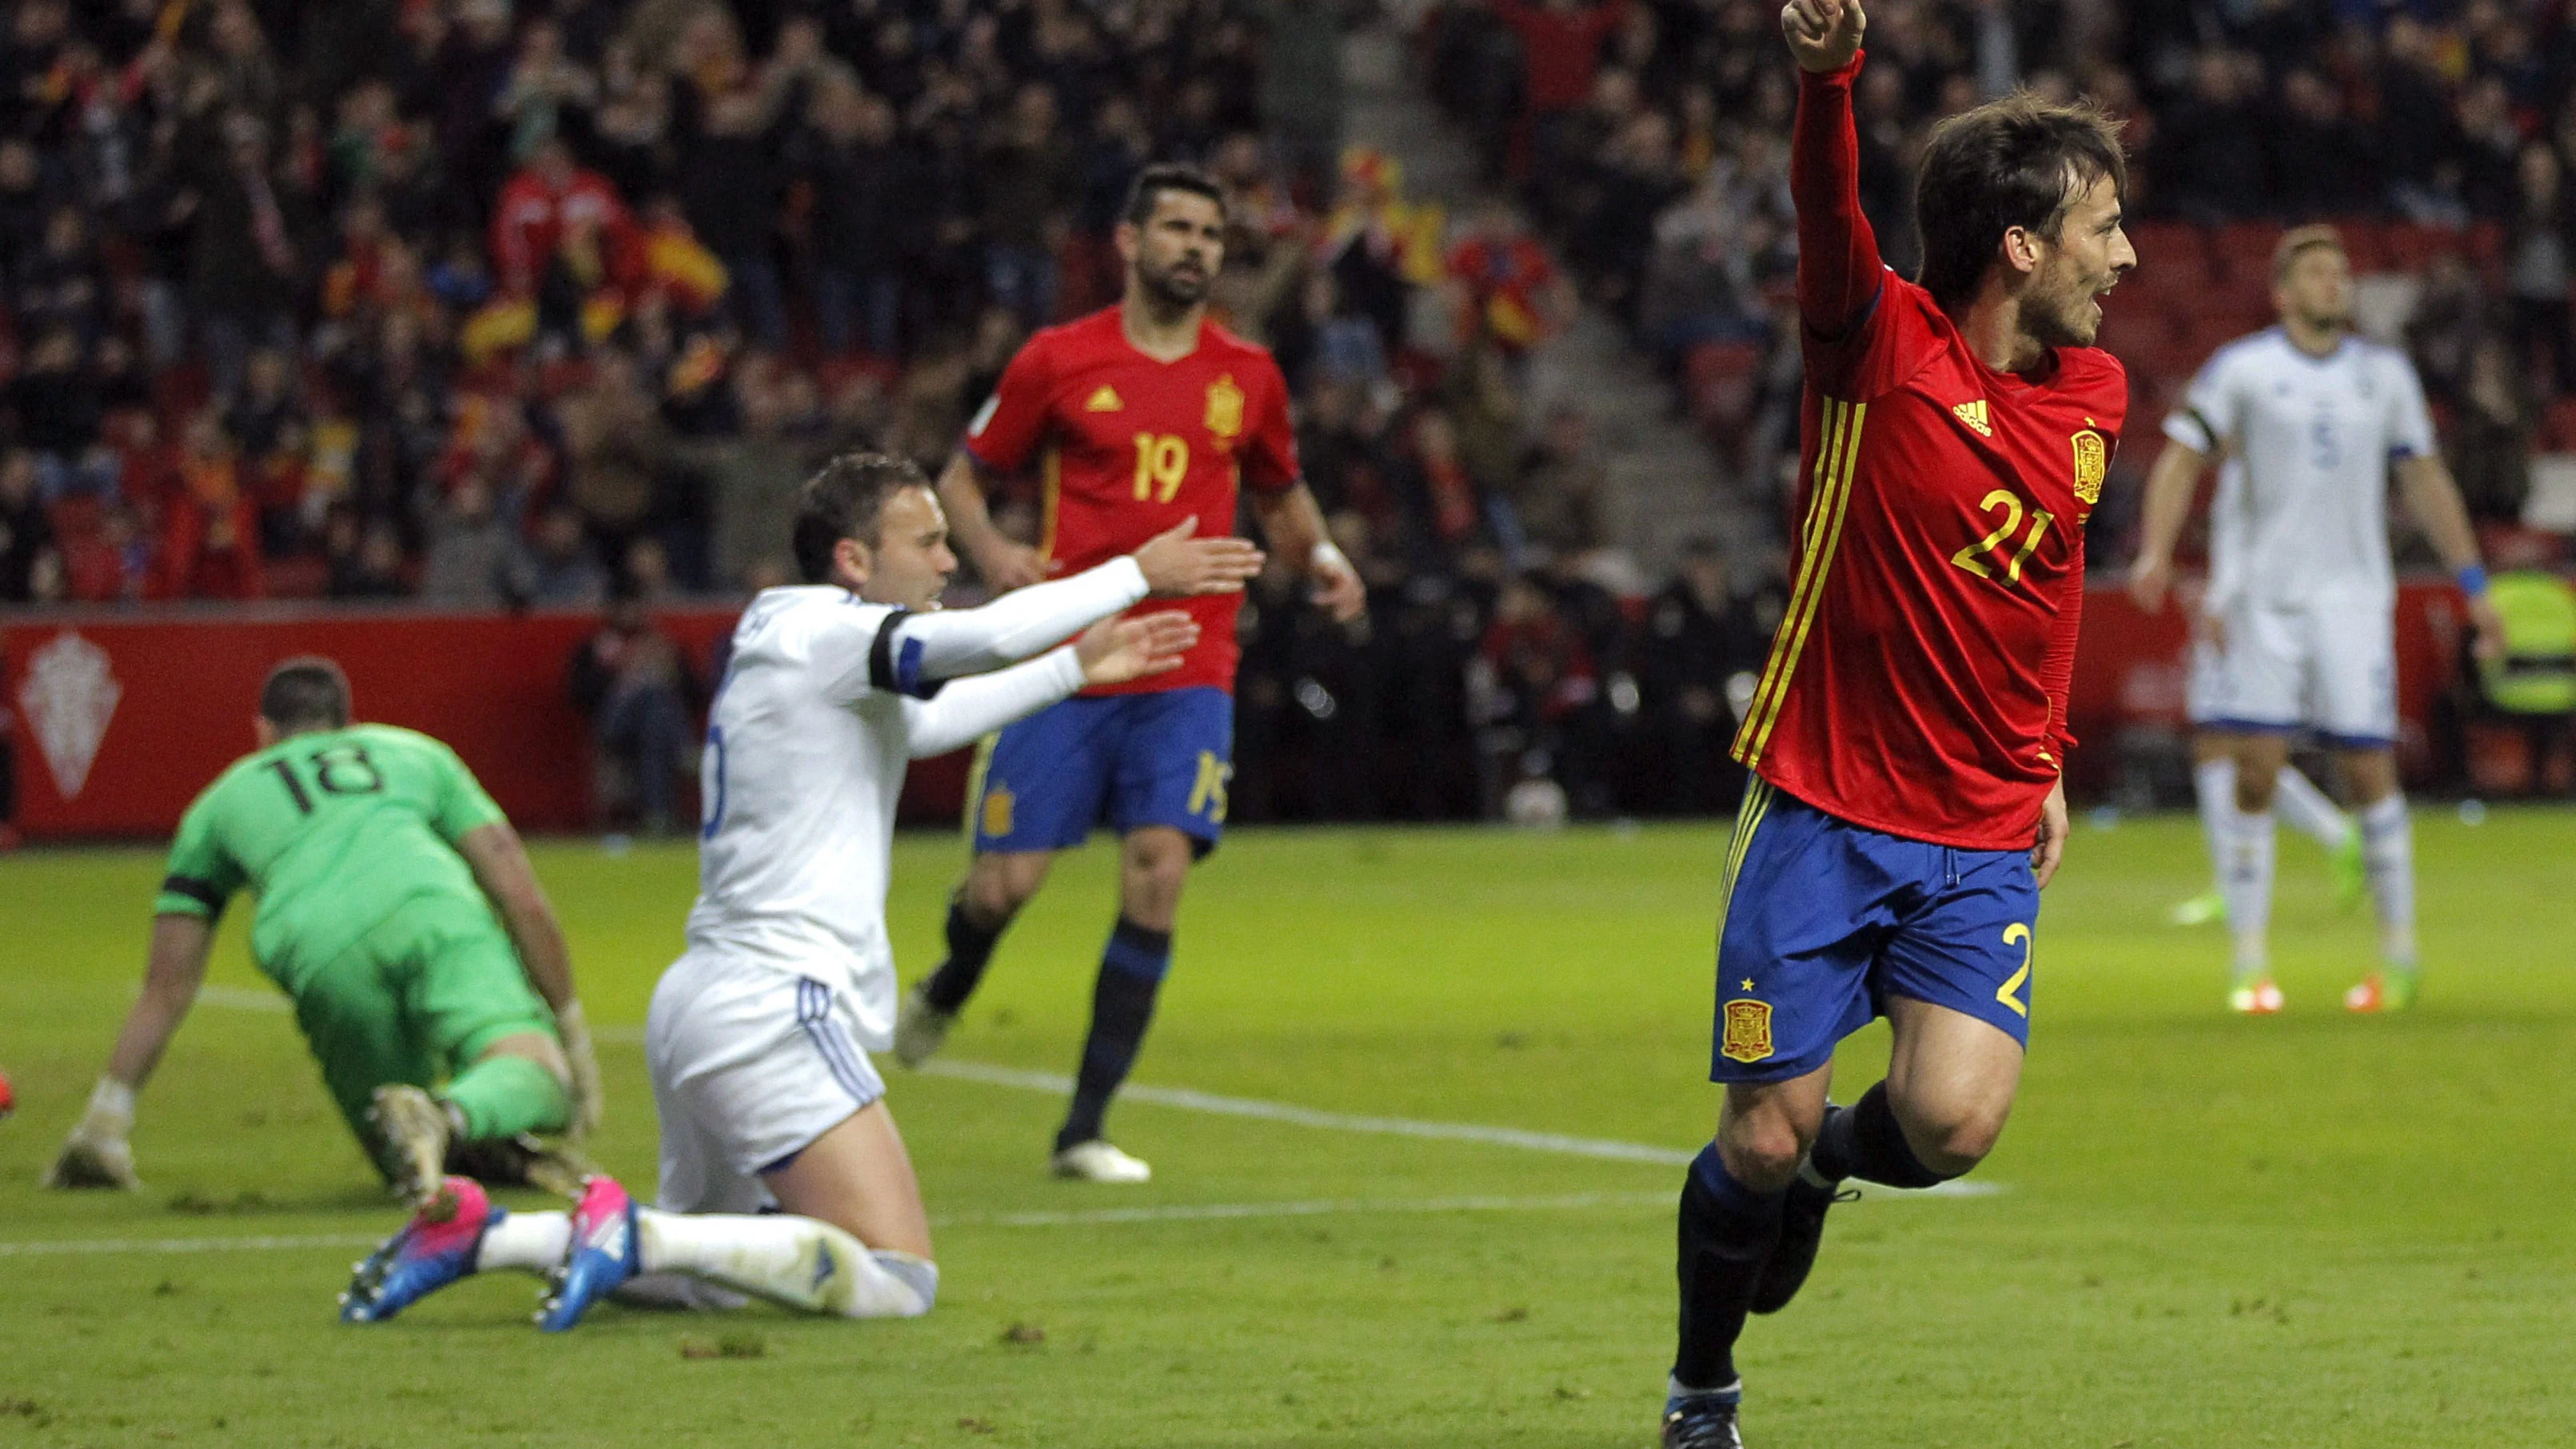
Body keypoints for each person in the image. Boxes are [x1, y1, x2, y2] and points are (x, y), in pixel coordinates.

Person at [337, 453, 1261, 1331]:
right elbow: (981, 637)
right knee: (899, 1280)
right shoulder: (831, 630)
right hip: (774, 1006)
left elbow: (926, 726)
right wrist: (1135, 571)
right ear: (854, 559)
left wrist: (1071, 670)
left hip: (704, 1001)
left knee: (705, 1281)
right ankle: (631, 1230)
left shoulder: (796, 633)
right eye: (927, 543)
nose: (949, 561)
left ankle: (490, 1234)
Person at [1657, 6, 2135, 1446]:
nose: (2125, 259)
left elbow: (2045, 597)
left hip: (1980, 829)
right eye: (2102, 229)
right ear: (2018, 246)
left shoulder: (2096, 396)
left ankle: (1818, 1184)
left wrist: (2044, 756)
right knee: (1757, 1127)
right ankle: (1701, 1389)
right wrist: (1827, 84)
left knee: (1951, 1123)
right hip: (1820, 804)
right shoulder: (1873, 348)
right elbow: (1824, 211)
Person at [892, 163, 1366, 1184]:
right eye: (1179, 229)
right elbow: (962, 479)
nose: (1197, 246)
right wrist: (994, 557)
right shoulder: (1058, 361)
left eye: (1211, 232)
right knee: (1003, 886)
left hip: (1191, 661)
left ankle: (1085, 1129)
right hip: (1068, 658)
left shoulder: (1250, 375)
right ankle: (948, 983)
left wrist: (1323, 561)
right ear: (1128, 241)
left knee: (1158, 869)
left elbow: (1282, 495)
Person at [45, 659, 603, 1208]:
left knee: (403, 1153)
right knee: (537, 1074)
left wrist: (103, 1122)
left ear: (263, 732)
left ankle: (451, 1130)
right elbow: (517, 891)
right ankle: (456, 1117)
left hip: (317, 948)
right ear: (349, 724)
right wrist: (570, 1026)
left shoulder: (218, 803)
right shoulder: (417, 753)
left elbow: (166, 986)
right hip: (429, 906)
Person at [2127, 226, 2506, 1015]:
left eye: (2342, 272)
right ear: (2283, 293)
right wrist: (2156, 551)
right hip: (2265, 600)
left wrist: (2474, 583)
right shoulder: (2246, 370)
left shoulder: (2384, 375)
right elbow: (2180, 454)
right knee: (2254, 770)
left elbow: (2427, 479)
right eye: (2318, 273)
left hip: (2352, 600)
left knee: (2368, 770)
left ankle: (2399, 959)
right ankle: (2250, 964)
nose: (2336, 283)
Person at [2164, 487, 2365, 938]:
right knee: (2219, 753)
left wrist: (2225, 602)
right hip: (2241, 608)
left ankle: (2331, 836)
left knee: (2226, 749)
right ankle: (2238, 878)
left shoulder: (2264, 472)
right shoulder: (2246, 467)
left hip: (2252, 615)